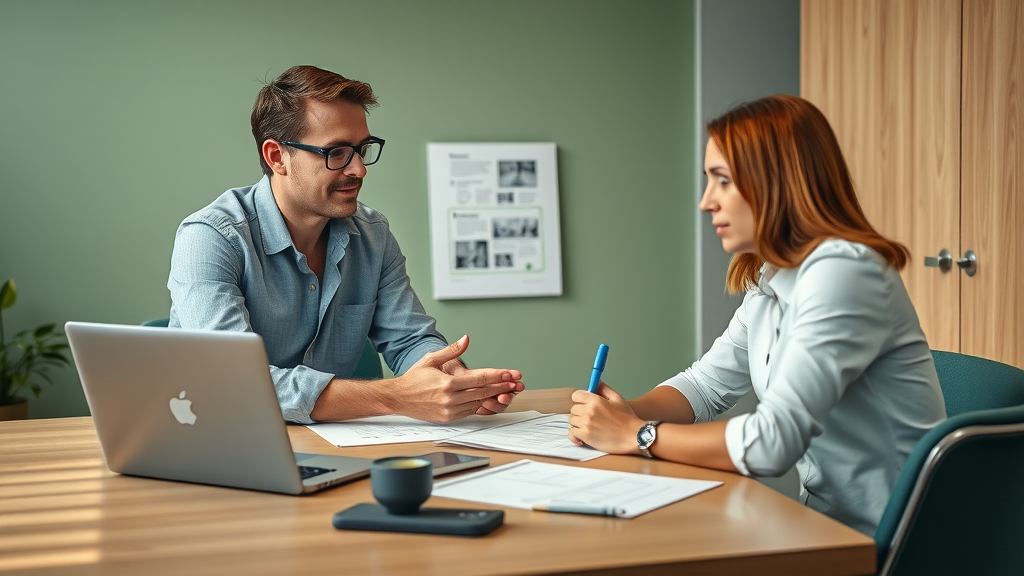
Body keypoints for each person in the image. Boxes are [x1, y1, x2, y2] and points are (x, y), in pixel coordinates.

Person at [567, 95, 946, 536]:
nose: (706, 201)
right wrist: (621, 414)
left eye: (722, 181)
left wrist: (639, 435)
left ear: (778, 181)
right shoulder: (773, 278)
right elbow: (705, 387)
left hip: (893, 541)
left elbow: (772, 443)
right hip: (820, 526)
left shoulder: (846, 274)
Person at [168, 65, 523, 424]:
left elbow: (410, 339)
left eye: (361, 149)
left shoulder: (372, 235)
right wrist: (395, 396)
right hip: (221, 437)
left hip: (336, 446)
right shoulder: (211, 237)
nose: (359, 169)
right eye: (336, 152)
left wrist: (451, 379)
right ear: (277, 157)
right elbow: (232, 383)